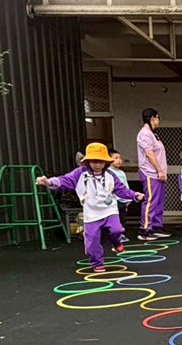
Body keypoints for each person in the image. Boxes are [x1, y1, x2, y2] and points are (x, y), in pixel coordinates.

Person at [36, 143, 143, 272]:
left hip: (109, 210)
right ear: (88, 161)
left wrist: (134, 195)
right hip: (91, 213)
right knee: (92, 241)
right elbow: (64, 180)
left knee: (116, 230)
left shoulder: (110, 175)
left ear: (106, 162)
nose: (97, 165)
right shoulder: (80, 173)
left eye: (101, 162)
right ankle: (97, 263)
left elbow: (121, 189)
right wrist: (48, 182)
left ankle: (116, 242)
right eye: (94, 161)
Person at [136, 108, 170, 241]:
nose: (159, 121)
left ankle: (156, 226)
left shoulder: (153, 134)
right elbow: (149, 154)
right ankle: (145, 229)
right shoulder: (144, 134)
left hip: (158, 174)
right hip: (150, 172)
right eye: (158, 118)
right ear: (152, 118)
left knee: (159, 201)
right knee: (150, 200)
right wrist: (159, 170)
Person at [108, 148, 133, 243]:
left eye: (120, 158)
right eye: (116, 158)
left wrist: (129, 197)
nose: (119, 160)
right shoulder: (108, 172)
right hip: (114, 199)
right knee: (115, 218)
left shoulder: (121, 172)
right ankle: (115, 235)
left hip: (123, 199)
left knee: (122, 217)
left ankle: (121, 234)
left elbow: (125, 185)